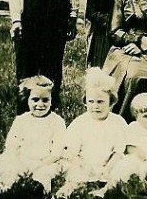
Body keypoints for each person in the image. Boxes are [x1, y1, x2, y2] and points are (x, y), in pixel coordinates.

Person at [57, 68, 130, 198]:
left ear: (111, 102)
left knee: (122, 169)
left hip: (107, 164)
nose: (95, 106)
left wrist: (107, 168)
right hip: (83, 163)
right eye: (91, 102)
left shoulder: (118, 122)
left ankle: (104, 191)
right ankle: (70, 189)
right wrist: (83, 166)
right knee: (72, 170)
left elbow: (119, 152)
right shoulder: (80, 123)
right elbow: (72, 152)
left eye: (100, 102)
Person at [0, 76, 65, 195]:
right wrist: (18, 163)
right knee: (10, 171)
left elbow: (56, 153)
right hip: (22, 160)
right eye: (35, 99)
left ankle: (39, 193)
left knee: (43, 175)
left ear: (51, 100)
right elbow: (12, 147)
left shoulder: (57, 122)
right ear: (27, 99)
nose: (40, 104)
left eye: (45, 100)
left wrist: (37, 166)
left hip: (45, 162)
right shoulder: (21, 121)